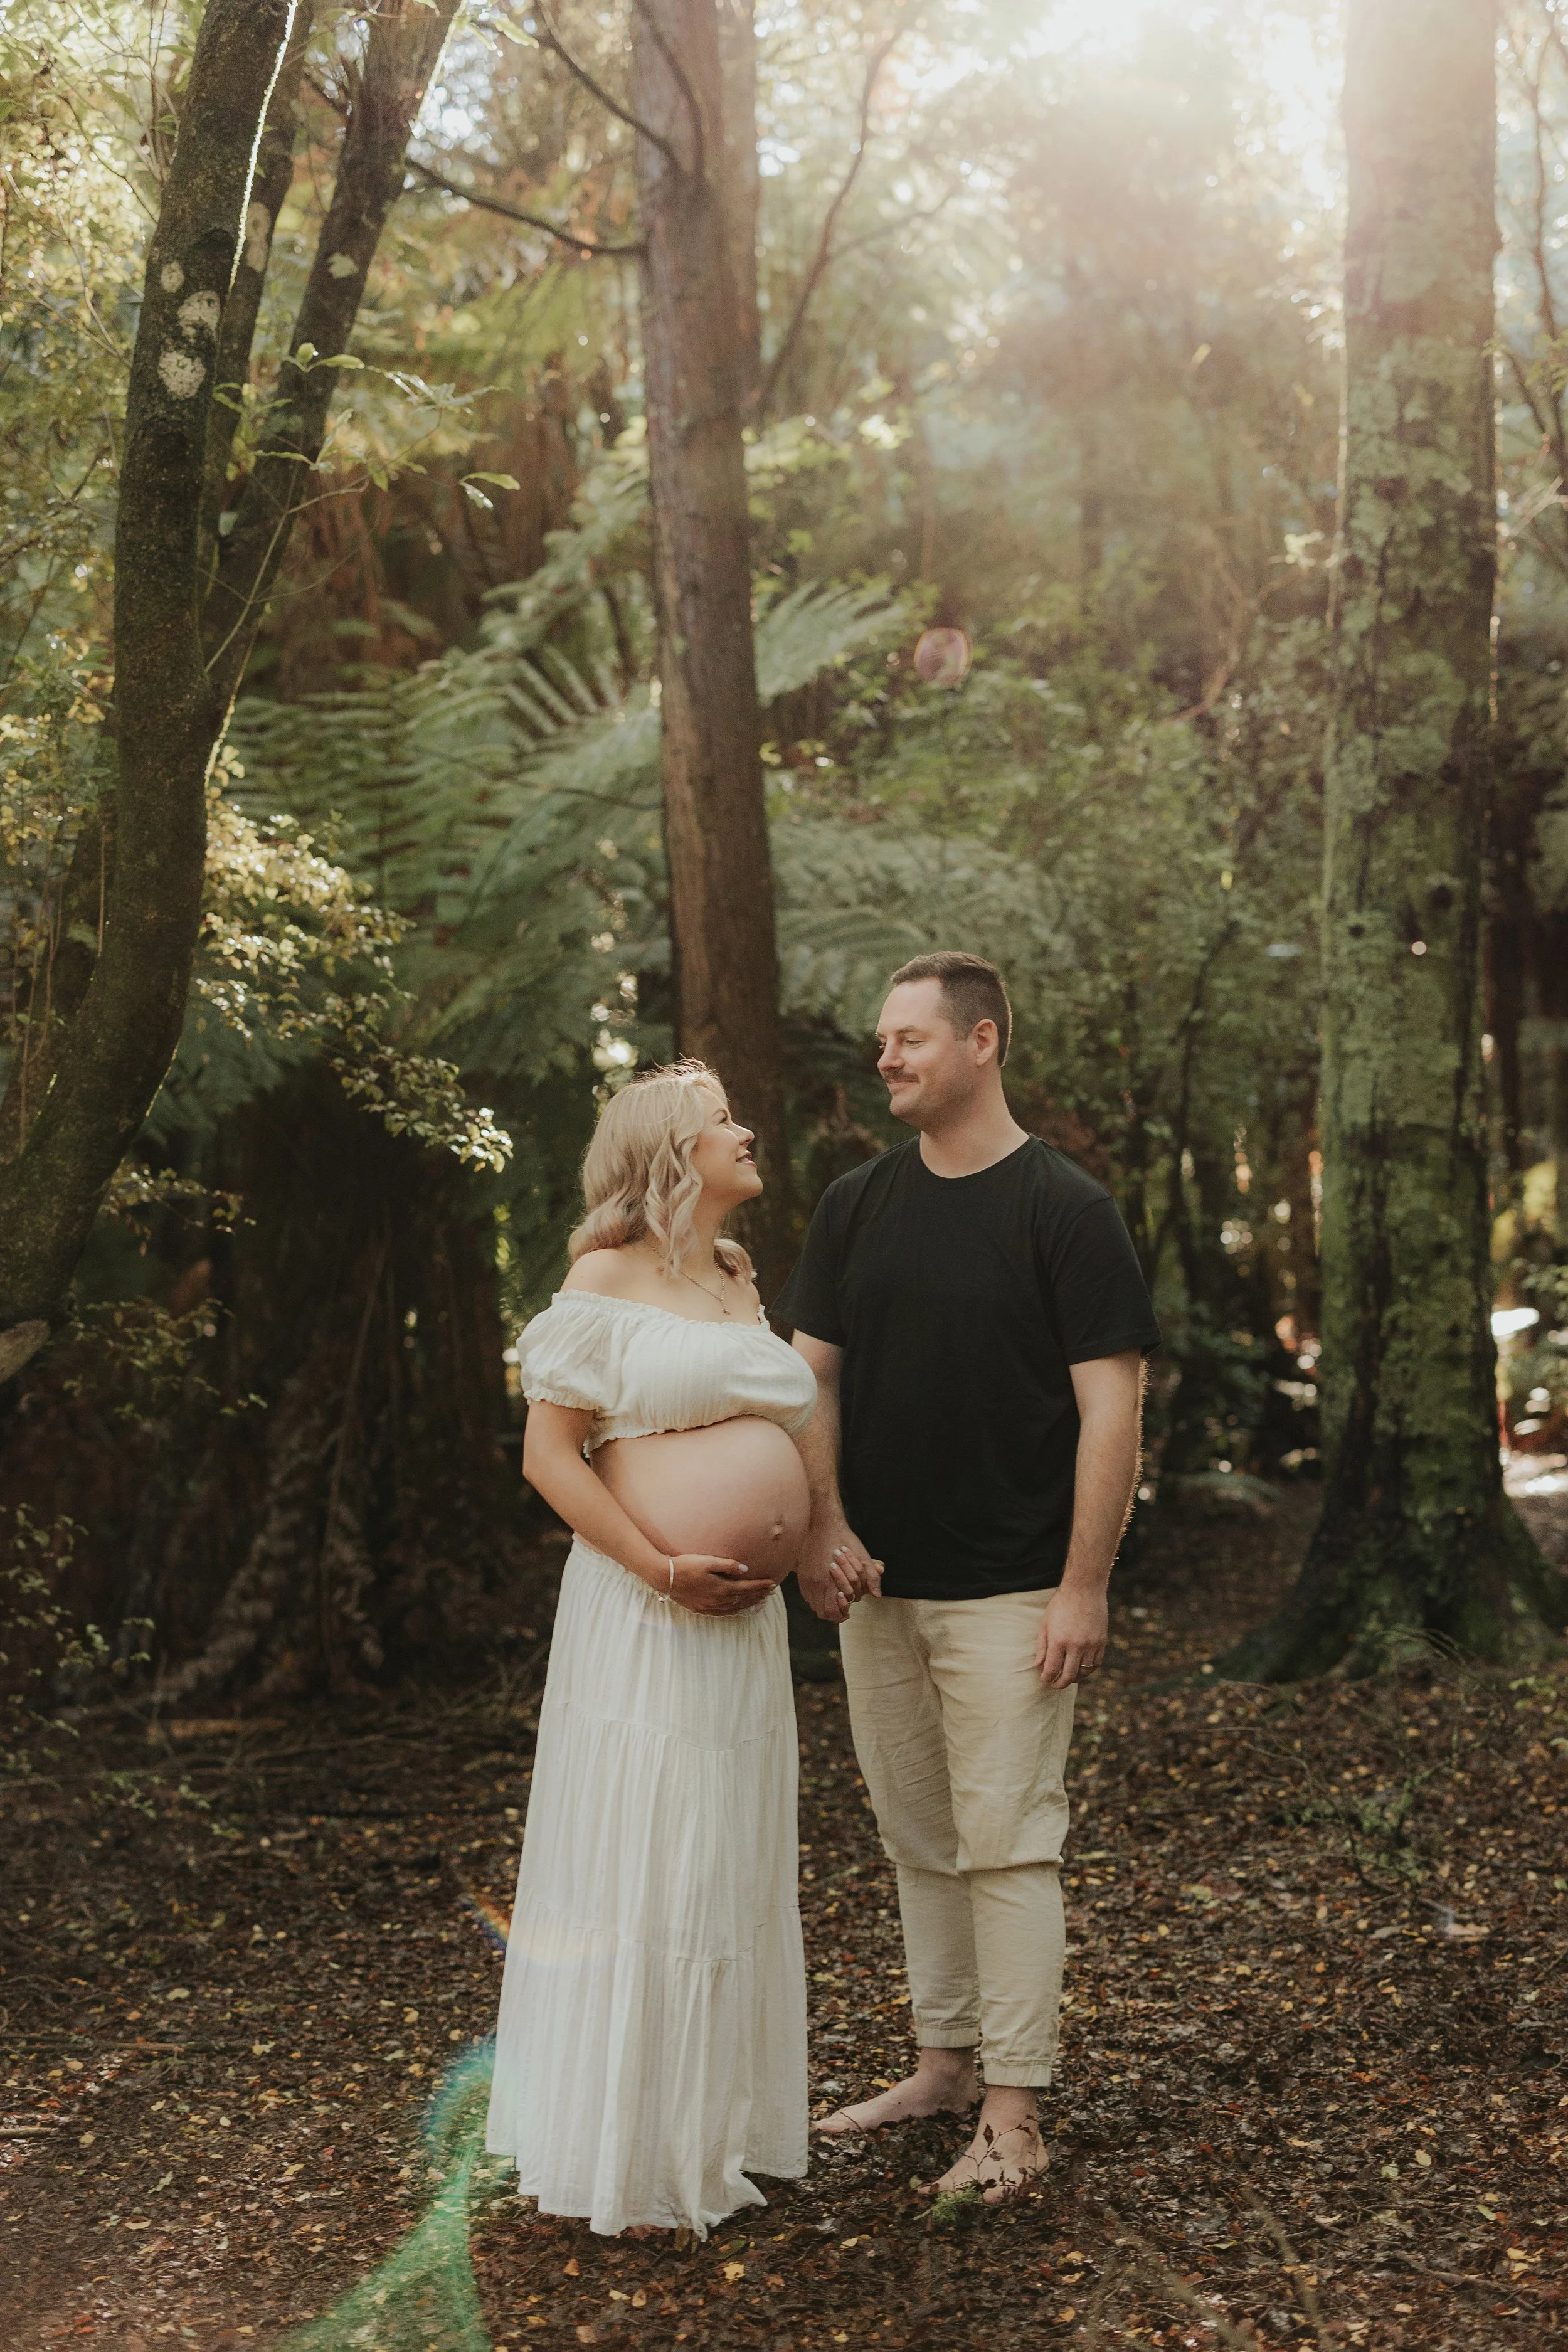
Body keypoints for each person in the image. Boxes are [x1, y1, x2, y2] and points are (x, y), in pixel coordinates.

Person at [775, 951, 1159, 2201]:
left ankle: (1013, 2112)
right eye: (881, 1039)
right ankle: (940, 2067)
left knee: (1005, 1847)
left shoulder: (1064, 1209)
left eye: (909, 1039)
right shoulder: (852, 1206)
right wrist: (819, 1528)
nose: (884, 1057)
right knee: (918, 1840)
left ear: (981, 1042)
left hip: (1009, 1590)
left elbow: (1113, 1411)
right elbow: (808, 1380)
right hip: (876, 1586)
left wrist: (1081, 1584)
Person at [485, 1062, 837, 2240]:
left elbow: (788, 1417)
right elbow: (550, 1459)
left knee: (722, 1862)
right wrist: (663, 1566)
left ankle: (708, 2138)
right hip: (645, 1614)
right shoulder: (604, 1275)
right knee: (652, 1856)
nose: (746, 1131)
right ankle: (631, 2162)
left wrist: (810, 1531)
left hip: (739, 1634)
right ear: (672, 1151)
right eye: (723, 1120)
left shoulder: (737, 1274)